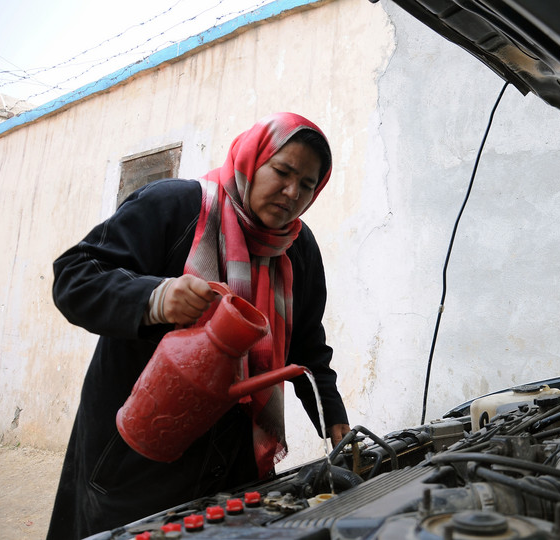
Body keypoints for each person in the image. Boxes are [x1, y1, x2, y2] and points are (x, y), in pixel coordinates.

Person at [47, 112, 350, 539]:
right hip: (138, 456)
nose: (291, 192)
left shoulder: (298, 249)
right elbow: (74, 277)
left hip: (233, 461)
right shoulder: (176, 207)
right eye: (282, 171)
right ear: (251, 159)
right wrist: (155, 297)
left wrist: (333, 418)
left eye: (307, 184)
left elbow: (306, 346)